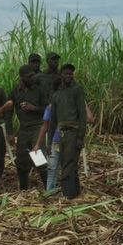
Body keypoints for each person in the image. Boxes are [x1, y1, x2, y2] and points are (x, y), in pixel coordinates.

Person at [46, 63, 93, 198]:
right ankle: (74, 193)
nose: (68, 76)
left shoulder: (77, 90)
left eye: (71, 73)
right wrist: (49, 143)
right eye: (66, 73)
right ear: (61, 75)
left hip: (73, 132)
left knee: (68, 165)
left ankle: (68, 196)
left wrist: (80, 137)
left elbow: (82, 115)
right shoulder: (57, 95)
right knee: (66, 163)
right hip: (61, 133)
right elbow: (53, 121)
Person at [12, 65, 50, 190]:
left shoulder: (39, 90)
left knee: (38, 158)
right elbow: (8, 110)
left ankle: (47, 189)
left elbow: (47, 108)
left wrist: (33, 108)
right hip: (23, 129)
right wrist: (9, 131)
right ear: (22, 77)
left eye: (33, 75)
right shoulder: (15, 91)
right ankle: (23, 190)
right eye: (29, 77)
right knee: (21, 161)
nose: (32, 78)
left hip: (36, 127)